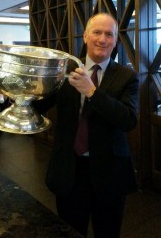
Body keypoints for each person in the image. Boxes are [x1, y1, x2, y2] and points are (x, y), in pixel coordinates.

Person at [33, 13, 139, 238]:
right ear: (85, 36)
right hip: (70, 170)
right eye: (97, 32)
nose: (102, 39)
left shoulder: (127, 77)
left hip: (110, 172)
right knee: (70, 231)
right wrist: (16, 93)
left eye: (109, 34)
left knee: (108, 232)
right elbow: (38, 106)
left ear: (115, 40)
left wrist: (92, 92)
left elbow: (128, 120)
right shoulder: (65, 71)